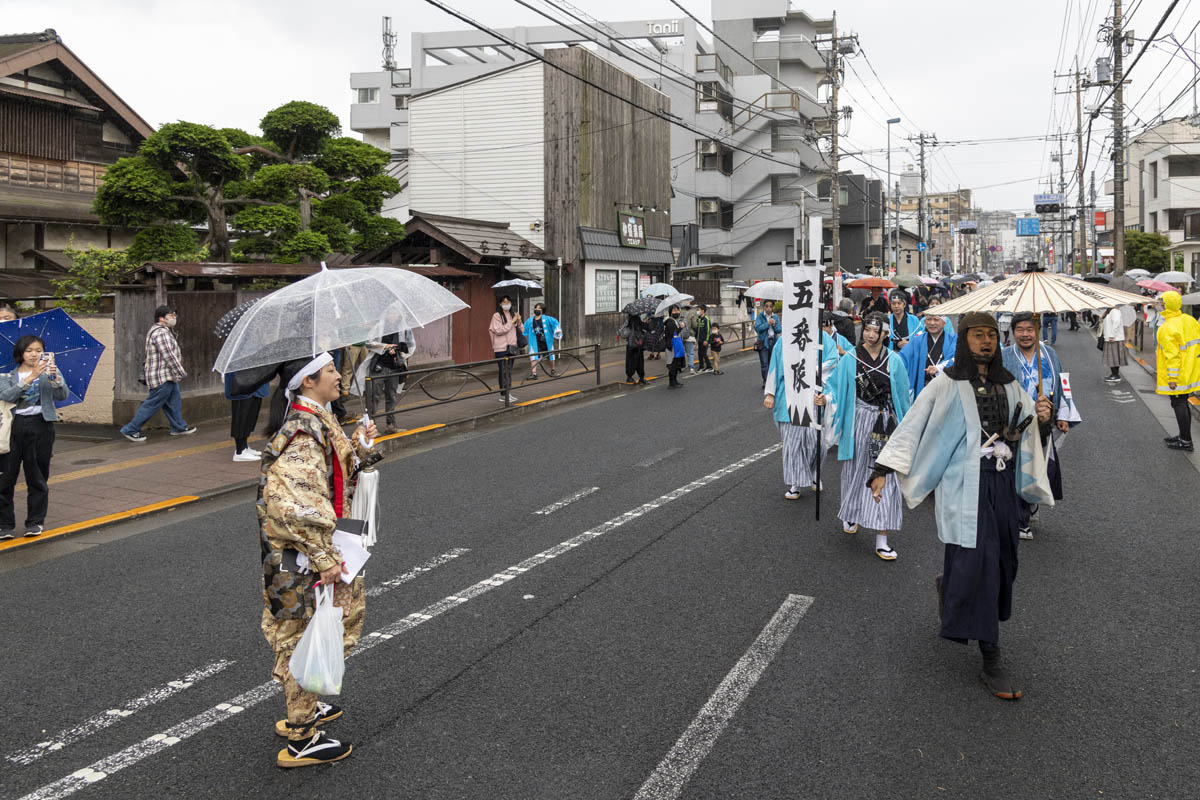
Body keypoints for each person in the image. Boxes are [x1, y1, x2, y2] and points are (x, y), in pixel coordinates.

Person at [869, 312, 1054, 701]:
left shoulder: (1012, 385)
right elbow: (915, 426)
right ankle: (992, 657)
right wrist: (884, 468)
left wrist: (1044, 419)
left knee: (1005, 563)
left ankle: (950, 586)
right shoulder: (947, 384)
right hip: (964, 486)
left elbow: (1027, 434)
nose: (986, 341)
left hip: (1004, 487)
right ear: (965, 340)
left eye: (991, 335)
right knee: (981, 563)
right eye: (978, 335)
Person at [258, 353, 378, 767]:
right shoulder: (304, 431)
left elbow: (331, 477)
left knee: (310, 631)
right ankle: (301, 736)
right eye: (331, 371)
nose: (339, 377)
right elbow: (293, 505)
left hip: (303, 554)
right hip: (305, 557)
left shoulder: (316, 419)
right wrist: (325, 557)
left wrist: (361, 448)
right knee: (307, 635)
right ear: (308, 381)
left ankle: (303, 710)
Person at [822, 313, 911, 560]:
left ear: (885, 333)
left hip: (885, 424)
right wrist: (826, 398)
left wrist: (906, 431)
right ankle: (851, 511)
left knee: (884, 476)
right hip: (858, 420)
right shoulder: (850, 358)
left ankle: (882, 538)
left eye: (876, 331)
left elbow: (903, 398)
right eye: (868, 330)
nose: (871, 335)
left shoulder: (895, 360)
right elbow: (836, 388)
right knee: (854, 471)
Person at [1001, 313, 1071, 540]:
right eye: (1019, 329)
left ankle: (1030, 502)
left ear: (1038, 331)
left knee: (1040, 466)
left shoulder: (1049, 354)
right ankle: (1021, 521)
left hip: (1042, 420)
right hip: (1015, 422)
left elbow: (1063, 382)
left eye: (1030, 329)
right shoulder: (1004, 355)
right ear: (1013, 332)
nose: (1025, 334)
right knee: (1017, 467)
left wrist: (1064, 413)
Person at [0, 335, 69, 538]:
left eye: (39, 350)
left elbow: (62, 395)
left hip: (41, 425)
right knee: (5, 477)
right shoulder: (6, 376)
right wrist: (30, 378)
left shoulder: (49, 372)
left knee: (37, 476)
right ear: (21, 353)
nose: (34, 354)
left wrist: (55, 379)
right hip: (13, 427)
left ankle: (35, 522)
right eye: (29, 350)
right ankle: (4, 525)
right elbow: (7, 396)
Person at [764, 336, 830, 499]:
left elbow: (833, 361)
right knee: (793, 443)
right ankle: (796, 483)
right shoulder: (784, 338)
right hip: (788, 396)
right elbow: (774, 366)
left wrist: (815, 370)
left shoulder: (822, 336)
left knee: (817, 442)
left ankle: (815, 472)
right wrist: (770, 393)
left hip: (813, 396)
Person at [119, 305, 196, 442]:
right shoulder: (160, 333)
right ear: (161, 318)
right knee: (152, 404)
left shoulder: (162, 331)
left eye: (174, 315)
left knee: (173, 403)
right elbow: (169, 355)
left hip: (167, 376)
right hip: (162, 376)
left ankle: (179, 427)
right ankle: (131, 429)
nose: (174, 317)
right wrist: (181, 372)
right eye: (171, 315)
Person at [1155, 290, 1200, 452]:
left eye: (1162, 303)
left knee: (1178, 403)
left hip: (1178, 372)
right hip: (1190, 368)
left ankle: (1186, 440)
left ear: (1169, 305)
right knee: (1183, 402)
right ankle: (1183, 435)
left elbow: (1172, 355)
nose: (1160, 305)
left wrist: (1172, 377)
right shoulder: (1188, 319)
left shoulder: (1168, 327)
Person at [900, 298, 956, 399]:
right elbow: (903, 357)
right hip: (923, 387)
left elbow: (956, 358)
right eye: (929, 319)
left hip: (945, 387)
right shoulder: (917, 340)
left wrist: (938, 368)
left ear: (944, 323)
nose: (932, 323)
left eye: (936, 319)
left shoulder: (954, 339)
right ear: (924, 322)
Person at [364, 329, 414, 433]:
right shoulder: (379, 327)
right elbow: (368, 343)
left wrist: (399, 351)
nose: (393, 316)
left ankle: (391, 425)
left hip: (394, 367)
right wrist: (385, 347)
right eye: (390, 313)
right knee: (374, 397)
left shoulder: (403, 330)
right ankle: (371, 428)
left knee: (392, 396)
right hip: (379, 367)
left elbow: (409, 347)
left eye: (395, 314)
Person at [225, 371, 270, 462]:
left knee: (250, 416)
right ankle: (239, 451)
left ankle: (245, 446)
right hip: (242, 382)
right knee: (241, 416)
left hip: (255, 381)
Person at [489, 295, 521, 404]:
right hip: (501, 348)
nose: (506, 304)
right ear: (500, 304)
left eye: (508, 302)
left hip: (512, 347)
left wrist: (519, 321)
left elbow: (522, 330)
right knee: (503, 370)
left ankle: (508, 392)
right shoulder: (497, 316)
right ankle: (503, 394)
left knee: (508, 371)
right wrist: (512, 322)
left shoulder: (513, 315)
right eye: (503, 302)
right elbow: (499, 330)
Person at [524, 302, 562, 379]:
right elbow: (524, 328)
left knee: (550, 356)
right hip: (535, 342)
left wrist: (557, 330)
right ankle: (534, 374)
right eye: (536, 308)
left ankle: (553, 370)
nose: (536, 310)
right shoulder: (530, 320)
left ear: (543, 310)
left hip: (546, 341)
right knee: (533, 357)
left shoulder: (548, 319)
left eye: (539, 308)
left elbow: (556, 324)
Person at [754, 300, 782, 386]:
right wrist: (767, 324)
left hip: (773, 342)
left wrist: (774, 325)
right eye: (766, 306)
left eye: (770, 306)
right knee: (764, 364)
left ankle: (772, 381)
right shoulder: (760, 316)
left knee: (773, 363)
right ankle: (766, 382)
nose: (768, 308)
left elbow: (779, 330)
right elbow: (757, 328)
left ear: (772, 307)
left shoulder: (775, 317)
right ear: (764, 307)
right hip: (763, 343)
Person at [1100, 306, 1129, 383]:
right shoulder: (1110, 311)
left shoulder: (1114, 311)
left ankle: (1115, 375)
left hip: (1114, 338)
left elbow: (1116, 322)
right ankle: (1115, 374)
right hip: (1112, 337)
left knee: (1113, 357)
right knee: (1114, 357)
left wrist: (1112, 335)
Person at [664, 306, 687, 389]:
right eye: (674, 310)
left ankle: (675, 381)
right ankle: (671, 383)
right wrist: (680, 327)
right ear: (670, 312)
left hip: (675, 346)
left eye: (677, 310)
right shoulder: (670, 322)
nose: (676, 312)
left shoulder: (674, 321)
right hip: (672, 346)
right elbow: (673, 333)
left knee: (676, 364)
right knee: (673, 365)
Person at [694, 304, 713, 373]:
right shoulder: (698, 318)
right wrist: (696, 338)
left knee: (703, 353)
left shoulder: (706, 319)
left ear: (703, 311)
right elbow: (697, 329)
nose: (697, 311)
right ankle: (701, 366)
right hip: (699, 339)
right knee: (699, 353)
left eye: (698, 310)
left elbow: (708, 330)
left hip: (704, 340)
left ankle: (709, 366)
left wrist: (706, 340)